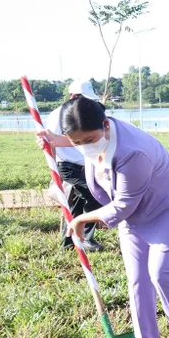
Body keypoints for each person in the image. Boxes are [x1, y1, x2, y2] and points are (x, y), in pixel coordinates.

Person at [36, 97, 169, 338]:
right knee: (138, 281)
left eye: (88, 140)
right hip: (134, 214)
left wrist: (82, 219)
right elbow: (83, 141)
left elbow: (123, 206)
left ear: (105, 125)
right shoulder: (92, 135)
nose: (84, 148)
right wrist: (55, 140)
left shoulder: (132, 151)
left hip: (167, 208)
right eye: (77, 142)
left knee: (161, 273)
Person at [45, 79, 105, 251]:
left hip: (87, 166)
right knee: (95, 196)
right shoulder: (58, 114)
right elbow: (51, 141)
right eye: (81, 97)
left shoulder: (87, 112)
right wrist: (54, 173)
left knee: (77, 205)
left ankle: (68, 243)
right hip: (68, 166)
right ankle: (86, 238)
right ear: (72, 96)